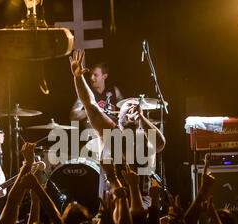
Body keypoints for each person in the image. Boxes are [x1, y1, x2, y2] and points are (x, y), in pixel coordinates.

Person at [69, 49, 166, 206]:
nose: (132, 107)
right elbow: (90, 104)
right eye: (128, 105)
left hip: (142, 208)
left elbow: (160, 143)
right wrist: (78, 77)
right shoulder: (109, 131)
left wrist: (141, 118)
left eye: (136, 107)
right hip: (112, 207)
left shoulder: (144, 139)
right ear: (118, 114)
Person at [69, 62, 123, 129]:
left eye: (95, 75)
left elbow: (124, 110)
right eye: (91, 75)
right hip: (94, 134)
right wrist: (92, 111)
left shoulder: (115, 91)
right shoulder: (86, 93)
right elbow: (73, 116)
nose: (91, 78)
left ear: (104, 76)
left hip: (113, 132)